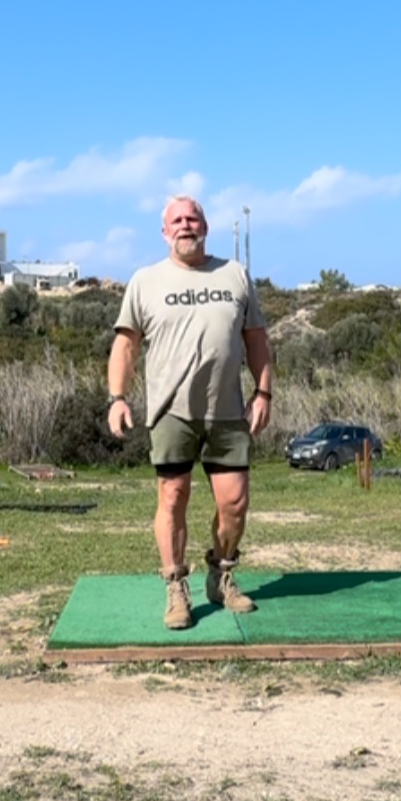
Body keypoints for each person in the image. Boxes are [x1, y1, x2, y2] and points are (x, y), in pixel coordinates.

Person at [108, 195, 274, 629]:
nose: (185, 225)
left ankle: (221, 574)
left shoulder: (235, 275)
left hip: (227, 411)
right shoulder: (145, 281)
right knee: (172, 497)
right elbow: (125, 345)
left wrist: (263, 393)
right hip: (171, 411)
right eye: (177, 220)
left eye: (192, 218)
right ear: (165, 231)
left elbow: (256, 339)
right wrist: (117, 398)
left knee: (234, 503)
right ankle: (175, 585)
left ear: (206, 226)